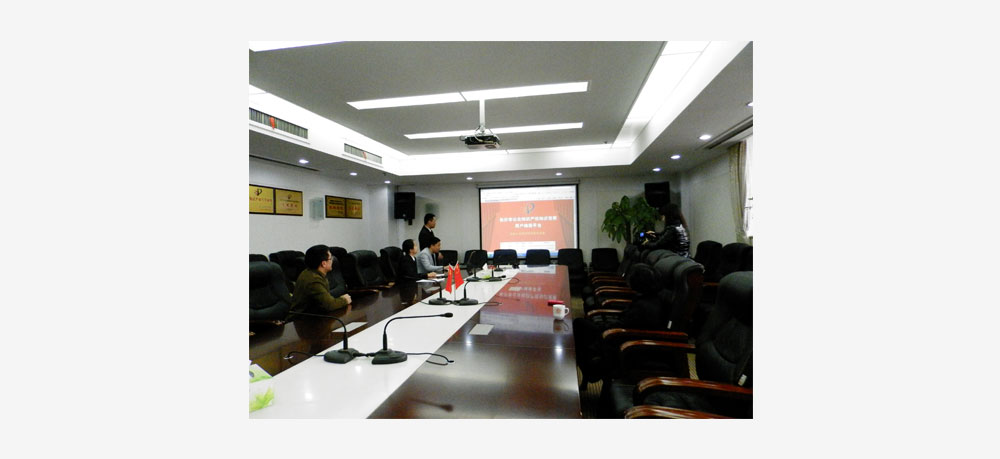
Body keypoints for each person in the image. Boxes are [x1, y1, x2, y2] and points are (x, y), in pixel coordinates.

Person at [288, 245, 352, 317]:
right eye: (331, 258)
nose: (332, 261)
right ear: (323, 263)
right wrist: (344, 300)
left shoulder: (311, 272)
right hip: (301, 319)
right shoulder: (313, 280)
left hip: (313, 315)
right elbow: (329, 305)